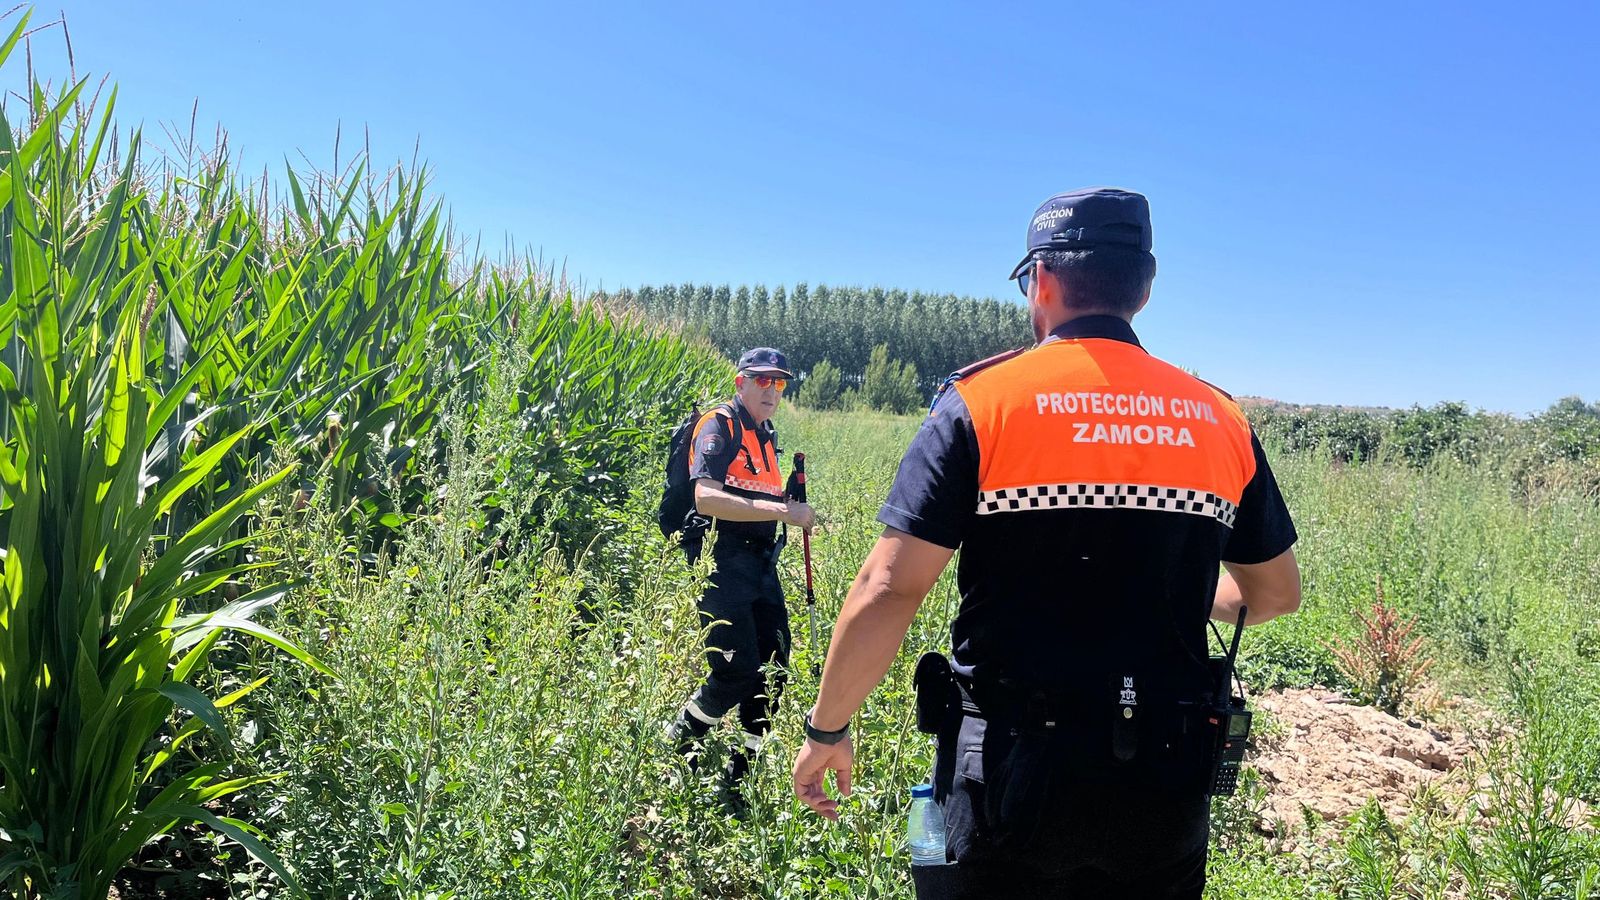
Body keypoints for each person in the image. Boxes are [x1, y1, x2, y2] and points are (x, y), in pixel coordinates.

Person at [791, 188, 1302, 898]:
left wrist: (827, 729)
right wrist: (1171, 586)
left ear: (1045, 280)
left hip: (1010, 777)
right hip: (1161, 784)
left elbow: (889, 587)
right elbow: (1274, 593)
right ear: (1144, 292)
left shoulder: (984, 404)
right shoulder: (1219, 420)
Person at [665, 347, 817, 809]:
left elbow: (759, 495)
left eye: (780, 383)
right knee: (735, 670)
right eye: (763, 381)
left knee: (774, 669)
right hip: (720, 559)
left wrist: (787, 500)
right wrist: (783, 511)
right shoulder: (719, 425)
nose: (772, 390)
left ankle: (740, 776)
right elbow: (707, 498)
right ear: (741, 382)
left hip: (760, 563)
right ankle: (678, 743)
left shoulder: (766, 434)